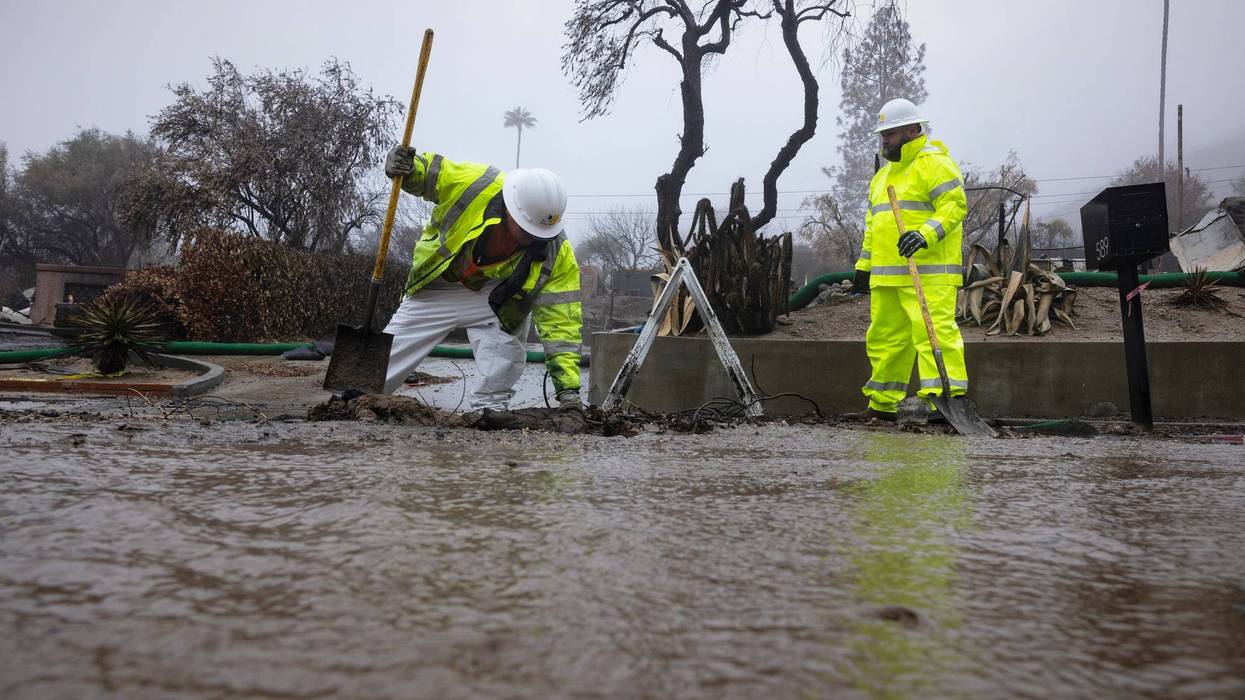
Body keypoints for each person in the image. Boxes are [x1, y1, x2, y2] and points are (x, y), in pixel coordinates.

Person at [380, 145, 583, 410]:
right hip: (438, 288)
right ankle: (357, 394)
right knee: (386, 358)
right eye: (527, 230)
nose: (532, 238)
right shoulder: (476, 183)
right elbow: (432, 174)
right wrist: (409, 168)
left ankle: (489, 409)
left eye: (539, 233)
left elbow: (562, 320)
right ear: (511, 209)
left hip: (495, 299)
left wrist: (568, 388)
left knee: (509, 339)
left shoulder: (557, 251)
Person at [851, 98, 968, 421]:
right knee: (885, 340)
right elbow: (874, 226)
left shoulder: (935, 164)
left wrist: (925, 234)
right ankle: (882, 404)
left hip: (928, 272)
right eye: (882, 134)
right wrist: (864, 266)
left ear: (913, 129)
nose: (884, 139)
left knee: (935, 335)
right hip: (888, 276)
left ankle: (944, 402)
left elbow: (954, 207)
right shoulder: (882, 177)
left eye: (890, 133)